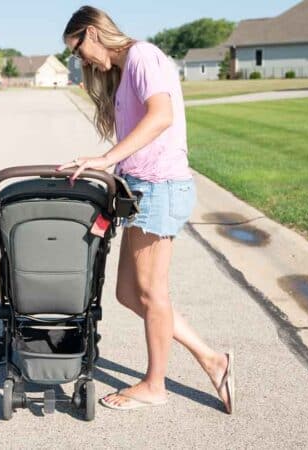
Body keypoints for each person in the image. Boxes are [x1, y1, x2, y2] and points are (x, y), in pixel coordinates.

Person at [56, 5, 235, 413]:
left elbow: (162, 115)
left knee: (154, 294)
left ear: (93, 32)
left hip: (160, 187)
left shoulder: (142, 56)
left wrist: (106, 158)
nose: (79, 59)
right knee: (127, 293)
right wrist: (110, 169)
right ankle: (211, 359)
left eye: (78, 48)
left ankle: (156, 385)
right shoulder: (122, 72)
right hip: (140, 189)